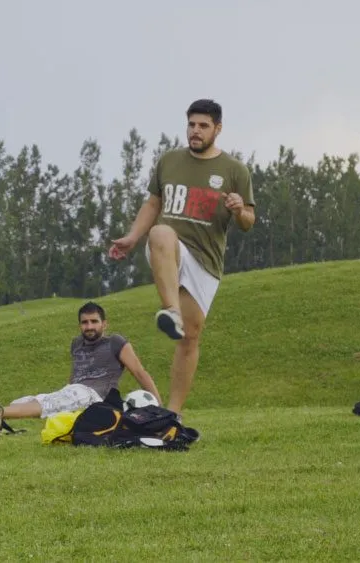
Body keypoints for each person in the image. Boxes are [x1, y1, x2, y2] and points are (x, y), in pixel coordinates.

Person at [108, 99, 255, 415]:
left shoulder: (235, 170)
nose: (195, 131)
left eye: (203, 126)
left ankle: (171, 415)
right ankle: (170, 310)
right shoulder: (169, 161)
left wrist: (239, 209)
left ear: (217, 128)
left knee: (190, 339)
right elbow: (152, 205)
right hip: (170, 249)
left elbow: (248, 223)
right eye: (191, 125)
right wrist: (133, 238)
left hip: (206, 261)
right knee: (161, 233)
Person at [0, 302, 161, 421]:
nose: (89, 326)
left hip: (95, 396)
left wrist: (160, 407)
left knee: (45, 406)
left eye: (94, 321)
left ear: (104, 324)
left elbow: (139, 372)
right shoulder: (76, 344)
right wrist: (64, 390)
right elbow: (75, 374)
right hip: (73, 390)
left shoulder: (115, 342)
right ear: (80, 325)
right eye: (85, 322)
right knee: (24, 401)